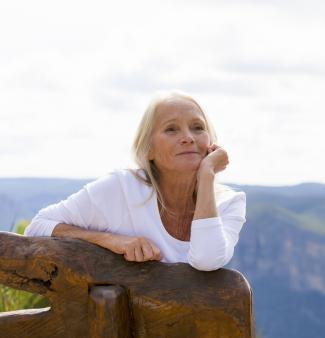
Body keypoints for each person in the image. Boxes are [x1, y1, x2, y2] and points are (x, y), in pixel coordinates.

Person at [24, 90, 247, 271]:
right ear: (149, 149)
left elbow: (206, 260)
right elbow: (38, 226)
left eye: (198, 128)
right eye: (171, 129)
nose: (188, 137)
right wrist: (112, 240)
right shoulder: (121, 188)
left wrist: (207, 174)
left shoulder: (230, 203)